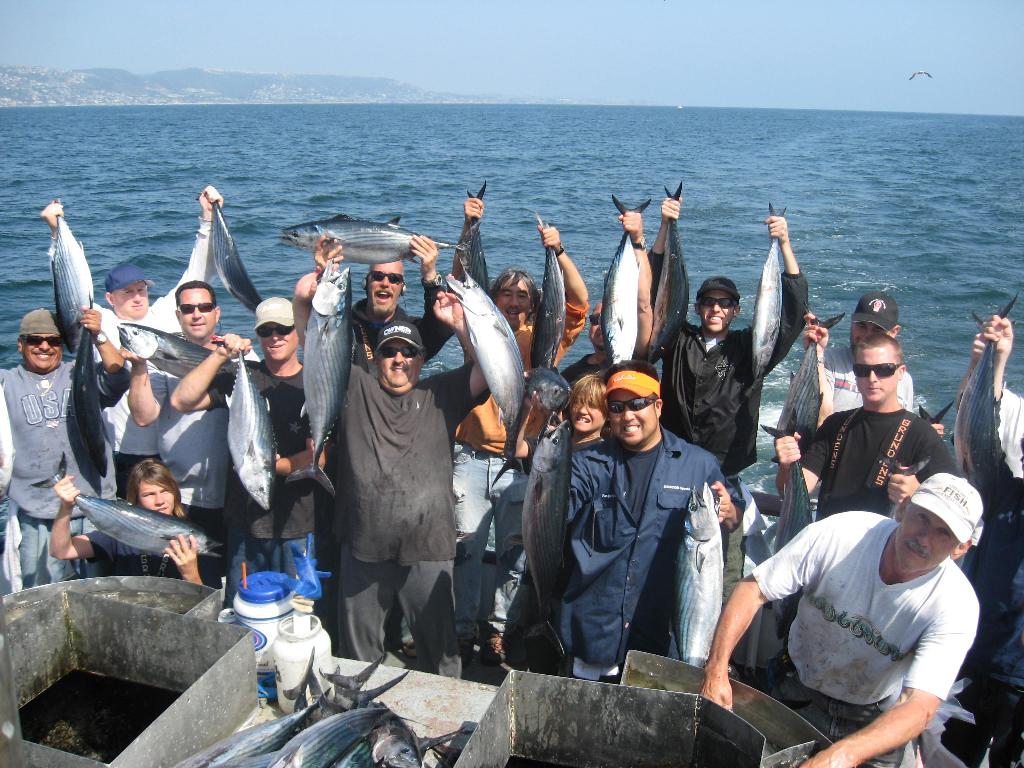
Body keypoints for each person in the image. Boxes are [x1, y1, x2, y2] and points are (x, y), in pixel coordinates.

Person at [700, 473, 984, 768]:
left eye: (943, 533)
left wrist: (842, 755)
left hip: (874, 715)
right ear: (903, 508)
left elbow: (920, 704)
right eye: (922, 518)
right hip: (798, 689)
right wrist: (717, 669)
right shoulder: (843, 534)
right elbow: (754, 588)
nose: (924, 538)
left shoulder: (956, 605)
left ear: (961, 548)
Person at [451, 193, 591, 666]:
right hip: (471, 455)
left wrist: (559, 250)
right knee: (465, 545)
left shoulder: (539, 340)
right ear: (493, 299)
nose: (512, 302)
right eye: (504, 294)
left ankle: (498, 629)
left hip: (522, 461)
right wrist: (468, 226)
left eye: (522, 296)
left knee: (515, 550)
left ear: (533, 308)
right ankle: (461, 627)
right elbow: (457, 282)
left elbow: (578, 305)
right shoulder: (478, 325)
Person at [333, 287, 487, 678]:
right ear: (376, 359)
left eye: (408, 352)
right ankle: (360, 722)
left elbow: (487, 369)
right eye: (389, 352)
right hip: (364, 546)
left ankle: (447, 725)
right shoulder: (354, 386)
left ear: (421, 360)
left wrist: (459, 326)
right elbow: (316, 340)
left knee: (441, 652)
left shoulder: (441, 393)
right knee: (358, 656)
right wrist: (312, 295)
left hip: (430, 546)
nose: (398, 359)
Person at [557, 361, 734, 681]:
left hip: (663, 641)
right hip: (595, 634)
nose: (628, 415)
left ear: (658, 406)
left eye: (638, 404)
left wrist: (731, 513)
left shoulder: (699, 466)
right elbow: (555, 515)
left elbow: (731, 522)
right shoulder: (586, 464)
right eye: (617, 406)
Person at [170, 297, 323, 604]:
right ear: (258, 336)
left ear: (298, 332)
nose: (275, 337)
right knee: (244, 605)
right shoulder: (242, 374)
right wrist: (221, 356)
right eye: (267, 331)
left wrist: (275, 467)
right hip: (244, 522)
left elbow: (321, 455)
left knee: (296, 610)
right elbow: (181, 401)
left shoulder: (317, 382)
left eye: (283, 328)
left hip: (296, 524)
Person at [93, 186, 222, 495]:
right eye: (128, 292)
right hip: (123, 452)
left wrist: (207, 219)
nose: (138, 297)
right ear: (110, 298)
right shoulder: (102, 322)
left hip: (167, 453)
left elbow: (199, 271)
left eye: (141, 289)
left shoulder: (164, 313)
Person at [941, 314, 1024, 768]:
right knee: (952, 755)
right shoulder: (1001, 492)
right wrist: (990, 361)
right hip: (975, 656)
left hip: (1016, 679)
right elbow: (977, 433)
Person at [0, 307, 128, 590]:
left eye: (54, 341)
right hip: (37, 511)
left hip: (96, 507)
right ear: (20, 344)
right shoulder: (6, 383)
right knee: (42, 595)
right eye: (35, 340)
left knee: (101, 593)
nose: (44, 346)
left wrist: (98, 336)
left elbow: (119, 376)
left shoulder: (79, 373)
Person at [774, 333, 958, 518]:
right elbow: (788, 493)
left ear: (901, 372)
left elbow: (955, 503)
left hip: (885, 543)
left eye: (884, 369)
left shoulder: (922, 434)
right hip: (830, 539)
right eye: (863, 370)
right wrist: (787, 467)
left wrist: (918, 493)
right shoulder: (835, 425)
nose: (872, 378)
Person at [125, 280, 232, 588]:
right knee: (181, 586)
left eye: (204, 307)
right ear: (178, 315)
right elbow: (144, 416)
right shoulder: (159, 362)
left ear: (217, 312)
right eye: (187, 309)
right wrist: (139, 366)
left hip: (231, 496)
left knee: (223, 583)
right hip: (179, 498)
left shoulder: (238, 357)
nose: (196, 314)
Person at [293, 226, 453, 370]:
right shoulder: (342, 326)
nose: (385, 283)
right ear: (366, 283)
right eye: (377, 276)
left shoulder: (413, 334)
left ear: (402, 288)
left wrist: (430, 278)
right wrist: (324, 276)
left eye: (394, 279)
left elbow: (443, 327)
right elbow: (310, 329)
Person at [49, 459, 201, 584]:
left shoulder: (192, 536)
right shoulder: (120, 531)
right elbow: (61, 551)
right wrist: (65, 507)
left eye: (165, 491)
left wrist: (191, 574)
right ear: (136, 500)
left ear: (175, 493)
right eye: (149, 494)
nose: (160, 501)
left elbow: (206, 604)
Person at [806, 290, 915, 426]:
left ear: (894, 332)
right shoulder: (827, 360)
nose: (867, 335)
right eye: (861, 326)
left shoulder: (904, 379)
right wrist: (817, 353)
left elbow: (902, 429)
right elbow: (821, 419)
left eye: (877, 329)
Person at [560, 303, 607, 384]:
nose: (601, 326)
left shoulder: (633, 366)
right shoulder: (568, 377)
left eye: (608, 320)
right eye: (595, 319)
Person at [567, 373, 608, 447]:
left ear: (608, 414)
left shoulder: (604, 455)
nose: (582, 410)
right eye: (577, 402)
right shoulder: (555, 440)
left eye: (592, 405)